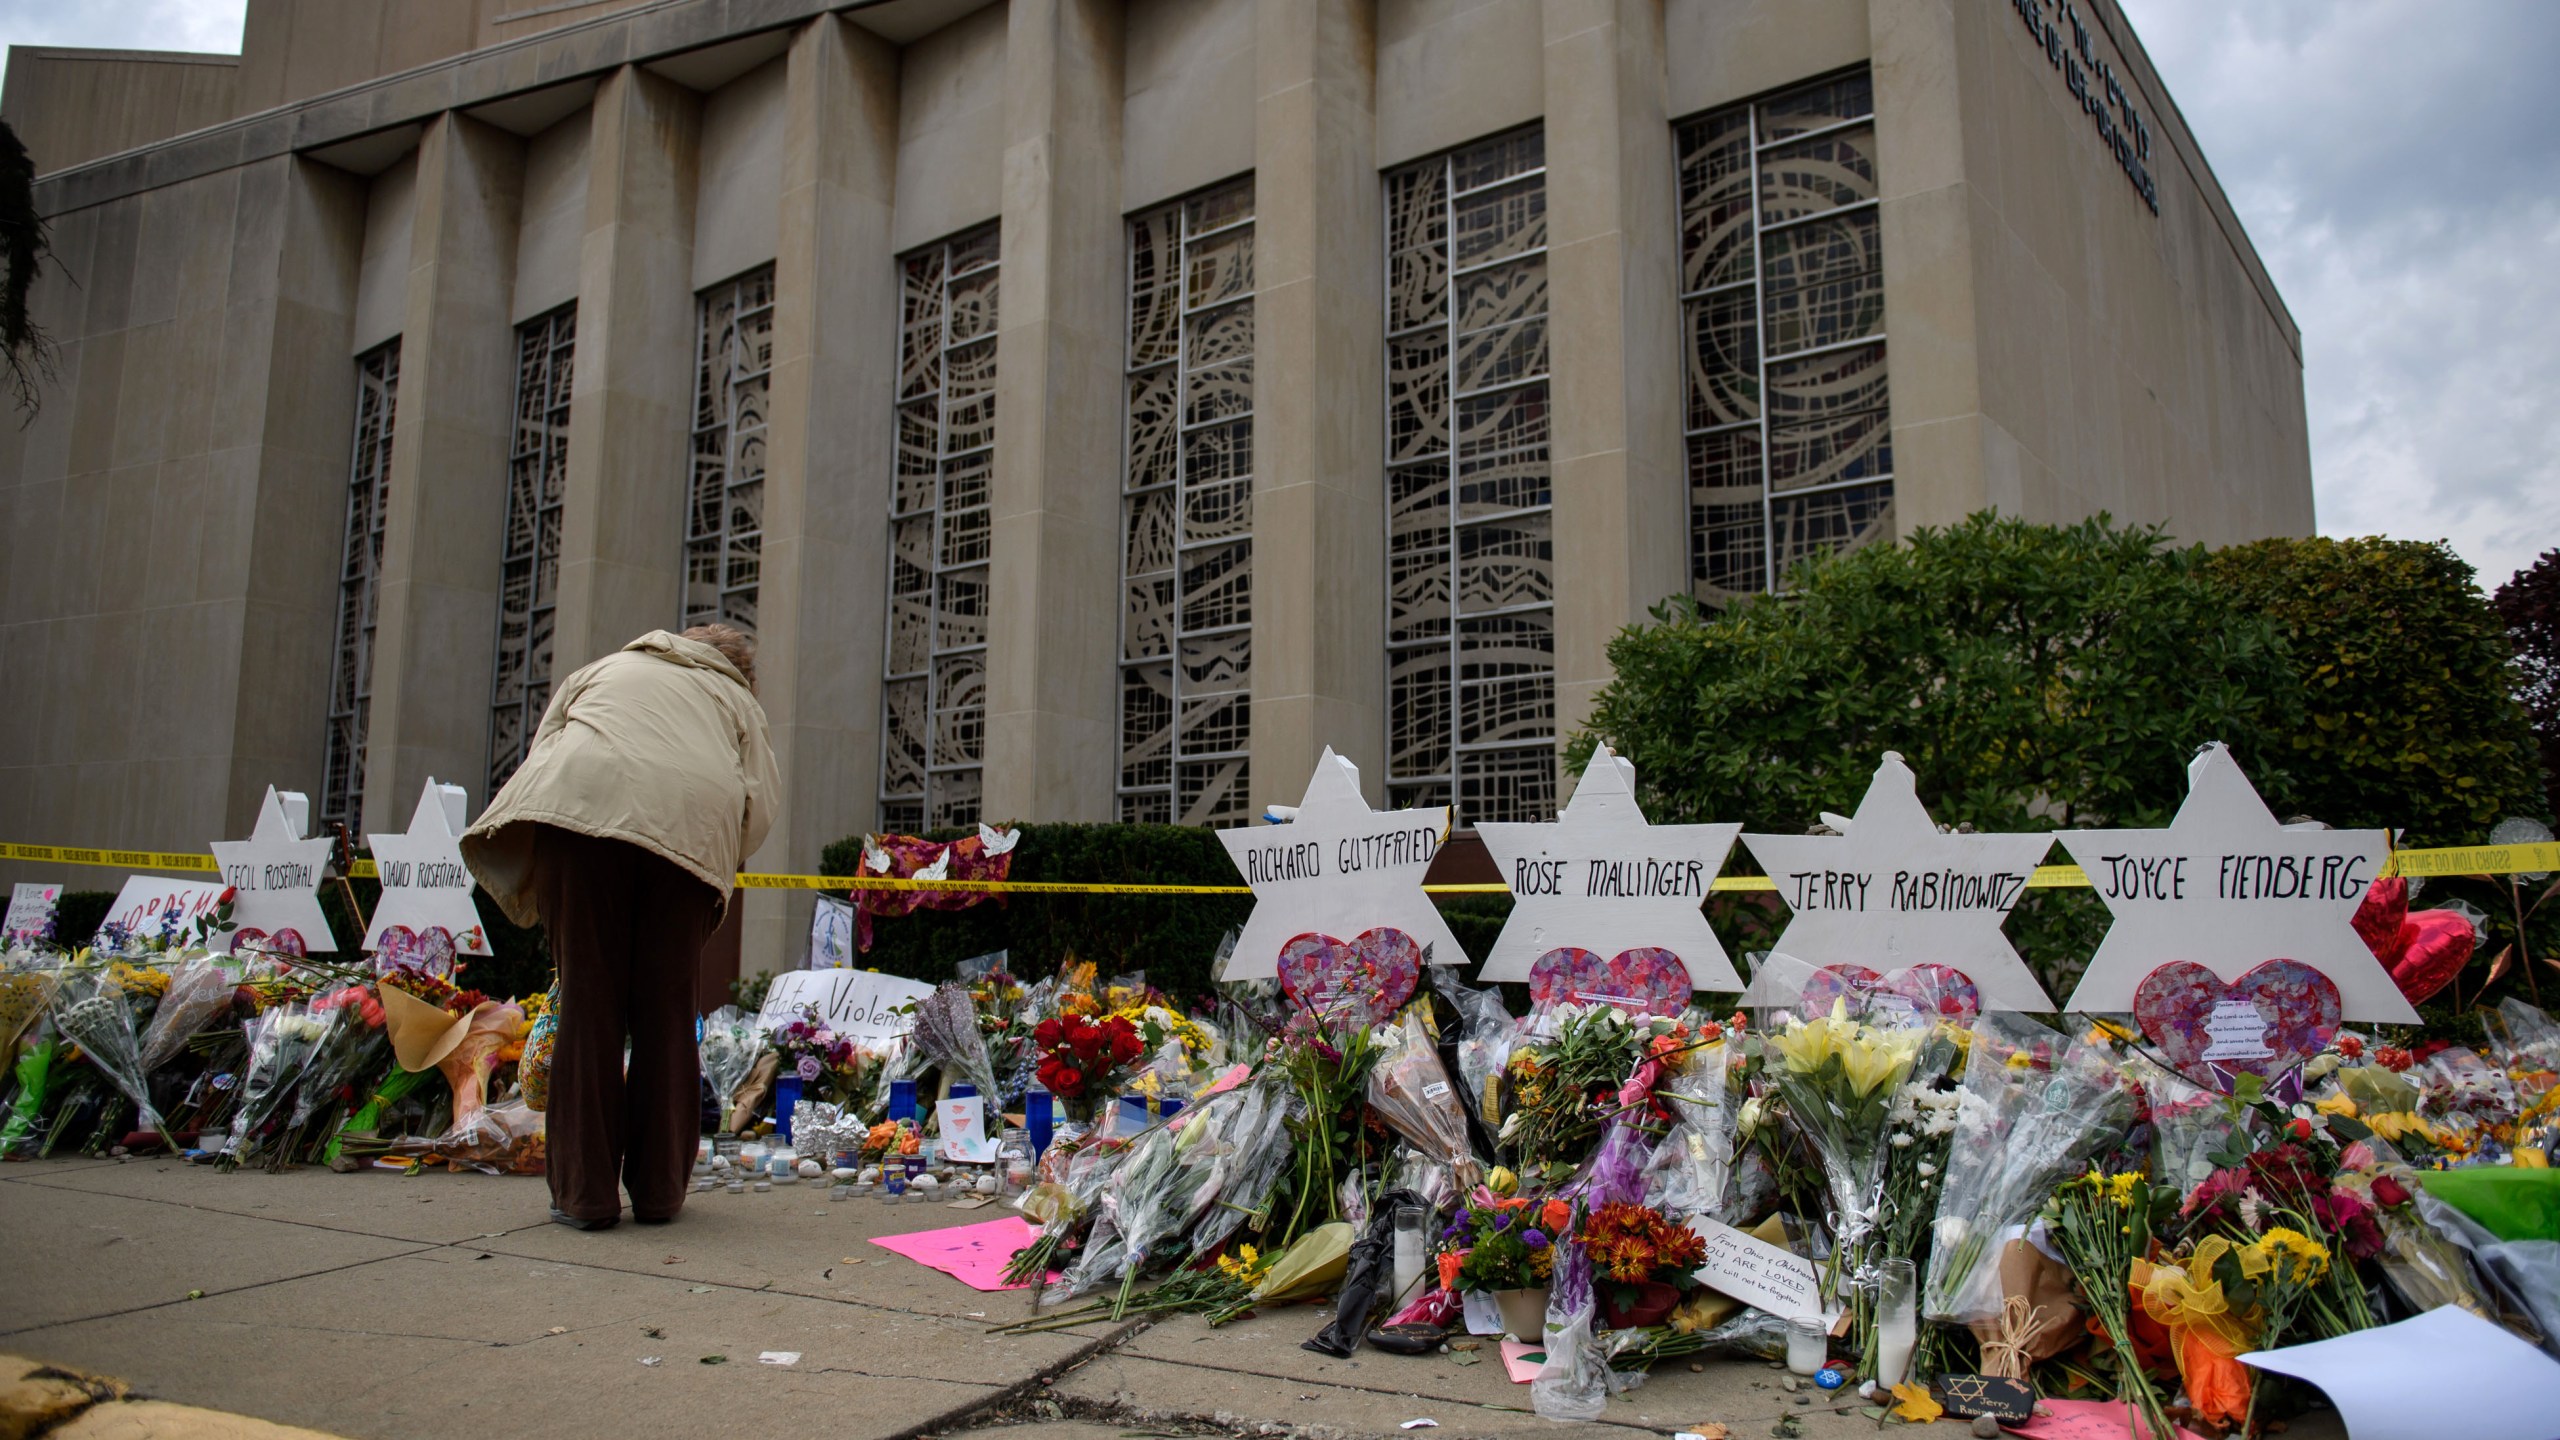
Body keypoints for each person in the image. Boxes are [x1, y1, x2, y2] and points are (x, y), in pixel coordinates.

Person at [461, 625, 778, 1229]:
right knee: (666, 1012)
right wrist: (719, 859)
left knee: (588, 1003)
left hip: (577, 825)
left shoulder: (606, 666)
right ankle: (660, 1193)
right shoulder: (735, 700)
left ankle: (584, 1196)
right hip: (682, 841)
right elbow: (759, 806)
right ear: (740, 670)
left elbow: (549, 743)